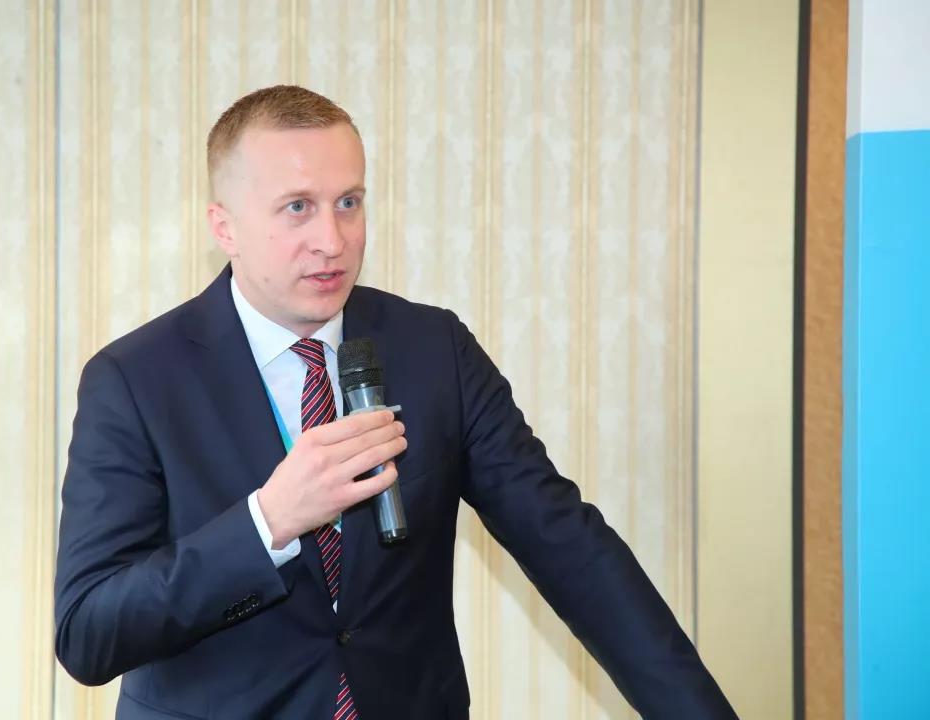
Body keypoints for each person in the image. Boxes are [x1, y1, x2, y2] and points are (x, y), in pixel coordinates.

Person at [54, 85, 735, 720]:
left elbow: (570, 548)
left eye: (349, 202)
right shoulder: (135, 380)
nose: (333, 239)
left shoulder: (434, 350)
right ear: (224, 227)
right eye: (298, 207)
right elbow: (89, 631)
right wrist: (268, 522)